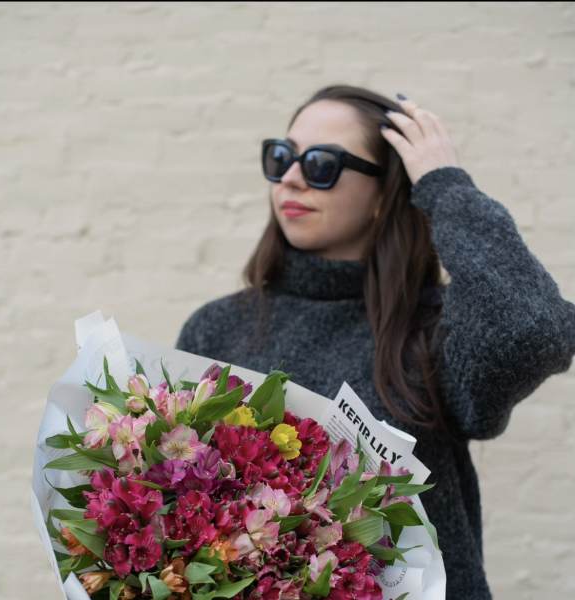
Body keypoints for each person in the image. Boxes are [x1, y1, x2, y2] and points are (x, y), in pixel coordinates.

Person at [174, 84, 575, 599]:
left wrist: (444, 187)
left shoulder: (433, 329)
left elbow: (534, 329)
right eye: (281, 157)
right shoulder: (218, 328)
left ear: (384, 195)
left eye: (321, 164)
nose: (291, 178)